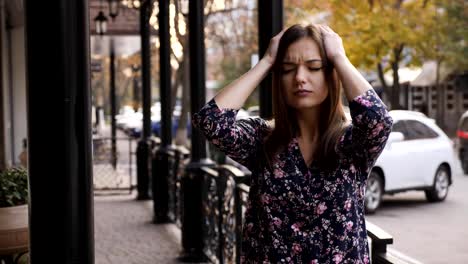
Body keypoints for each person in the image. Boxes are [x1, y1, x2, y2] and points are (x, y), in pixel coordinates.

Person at [192, 24, 393, 263]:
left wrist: (339, 58)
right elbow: (210, 121)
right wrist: (266, 62)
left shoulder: (351, 144)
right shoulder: (262, 140)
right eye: (287, 69)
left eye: (314, 67)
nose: (299, 77)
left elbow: (379, 121)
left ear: (330, 74)